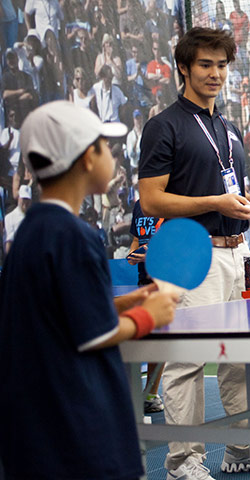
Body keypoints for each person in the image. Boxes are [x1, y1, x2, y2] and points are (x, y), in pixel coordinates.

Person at [138, 27, 250, 479]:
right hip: (191, 256)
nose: (215, 73)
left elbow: (228, 190)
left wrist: (247, 205)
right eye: (205, 64)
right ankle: (183, 462)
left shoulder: (227, 128)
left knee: (239, 357)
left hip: (235, 252)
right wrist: (215, 203)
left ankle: (243, 449)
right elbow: (151, 200)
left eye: (222, 65)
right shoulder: (163, 125)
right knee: (188, 360)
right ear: (184, 68)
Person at [0, 100, 178, 480]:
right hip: (81, 437)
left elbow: (60, 316)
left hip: (37, 437)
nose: (111, 156)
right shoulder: (73, 235)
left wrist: (126, 301)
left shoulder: (33, 232)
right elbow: (94, 335)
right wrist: (151, 315)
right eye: (104, 146)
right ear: (85, 159)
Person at [127, 199, 167, 414]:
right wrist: (132, 255)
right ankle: (140, 393)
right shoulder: (139, 205)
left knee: (160, 342)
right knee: (144, 340)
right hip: (144, 282)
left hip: (165, 282)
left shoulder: (169, 201)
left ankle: (150, 393)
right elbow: (136, 240)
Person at [3, 184, 31, 253]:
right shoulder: (10, 217)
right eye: (23, 198)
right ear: (19, 198)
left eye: (27, 199)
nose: (25, 202)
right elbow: (9, 243)